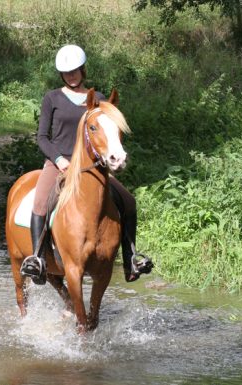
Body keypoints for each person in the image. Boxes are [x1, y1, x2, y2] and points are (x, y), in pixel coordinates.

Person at [20, 44, 153, 285]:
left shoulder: (98, 99)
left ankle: (131, 258)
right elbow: (42, 137)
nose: (71, 76)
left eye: (75, 71)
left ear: (83, 70)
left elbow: (108, 133)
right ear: (62, 74)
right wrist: (58, 159)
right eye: (67, 72)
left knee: (128, 201)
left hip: (92, 166)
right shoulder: (52, 98)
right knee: (40, 203)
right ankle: (36, 260)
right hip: (58, 163)